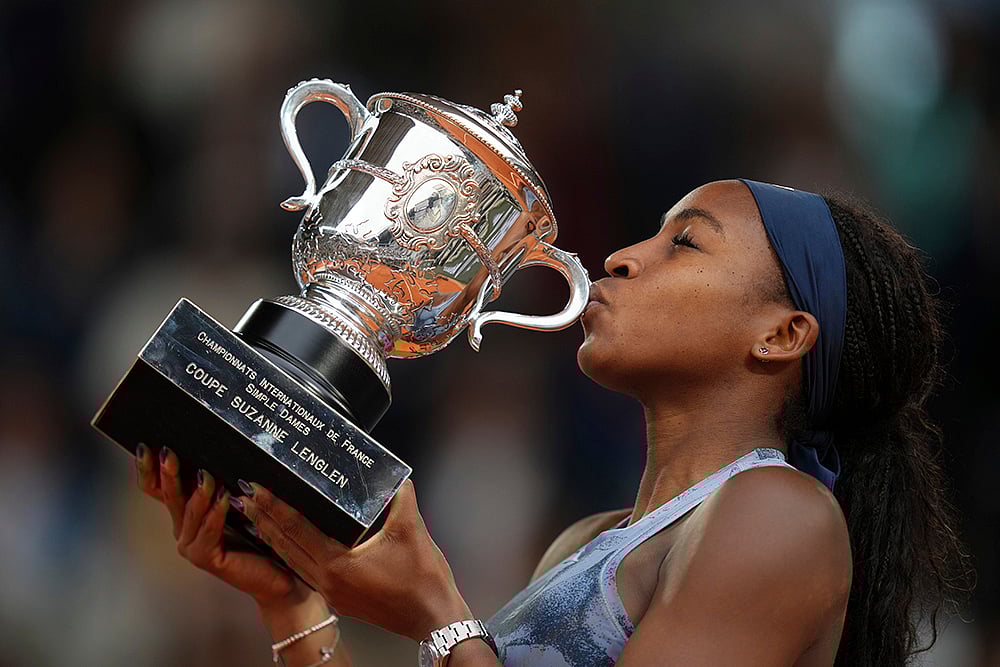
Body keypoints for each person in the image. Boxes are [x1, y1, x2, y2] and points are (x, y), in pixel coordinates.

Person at [135, 179, 970, 666]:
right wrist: (296, 605)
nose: (621, 256)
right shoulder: (584, 543)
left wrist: (438, 612)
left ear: (781, 334)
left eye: (686, 244)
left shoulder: (781, 516)